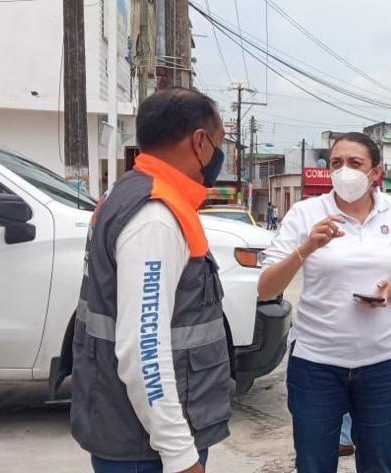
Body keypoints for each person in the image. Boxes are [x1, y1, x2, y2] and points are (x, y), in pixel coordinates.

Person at [70, 88, 231, 473]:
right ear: (199, 142)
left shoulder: (128, 191)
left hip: (130, 434)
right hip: (146, 449)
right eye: (219, 143)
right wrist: (179, 452)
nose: (219, 157)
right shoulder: (155, 216)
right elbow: (142, 348)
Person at [258, 132, 391, 473]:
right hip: (316, 366)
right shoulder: (306, 213)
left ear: (375, 172)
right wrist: (306, 248)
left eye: (355, 163)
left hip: (382, 365)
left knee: (378, 464)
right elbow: (265, 288)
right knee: (314, 464)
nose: (344, 171)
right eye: (336, 163)